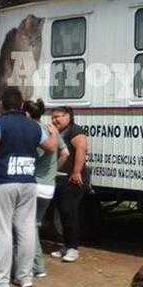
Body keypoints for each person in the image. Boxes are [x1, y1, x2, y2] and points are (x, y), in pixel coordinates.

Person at [0, 88, 57, 287]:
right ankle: (24, 276)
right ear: (21, 106)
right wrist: (54, 133)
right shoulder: (33, 126)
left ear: (2, 105)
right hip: (28, 183)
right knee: (27, 229)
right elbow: (50, 147)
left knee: (0, 230)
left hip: (2, 182)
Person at [23, 100, 68, 278]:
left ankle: (37, 266)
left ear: (26, 114)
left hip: (35, 184)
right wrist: (54, 170)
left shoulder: (33, 132)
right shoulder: (52, 130)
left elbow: (36, 154)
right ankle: (34, 264)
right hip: (49, 186)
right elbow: (65, 153)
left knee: (29, 226)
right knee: (35, 224)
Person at [50, 106, 88, 263]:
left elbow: (81, 150)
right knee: (61, 212)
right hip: (59, 178)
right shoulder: (57, 132)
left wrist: (77, 172)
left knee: (69, 212)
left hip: (72, 179)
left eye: (58, 116)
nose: (55, 120)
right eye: (53, 117)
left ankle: (73, 248)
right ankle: (65, 245)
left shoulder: (75, 131)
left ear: (68, 117)